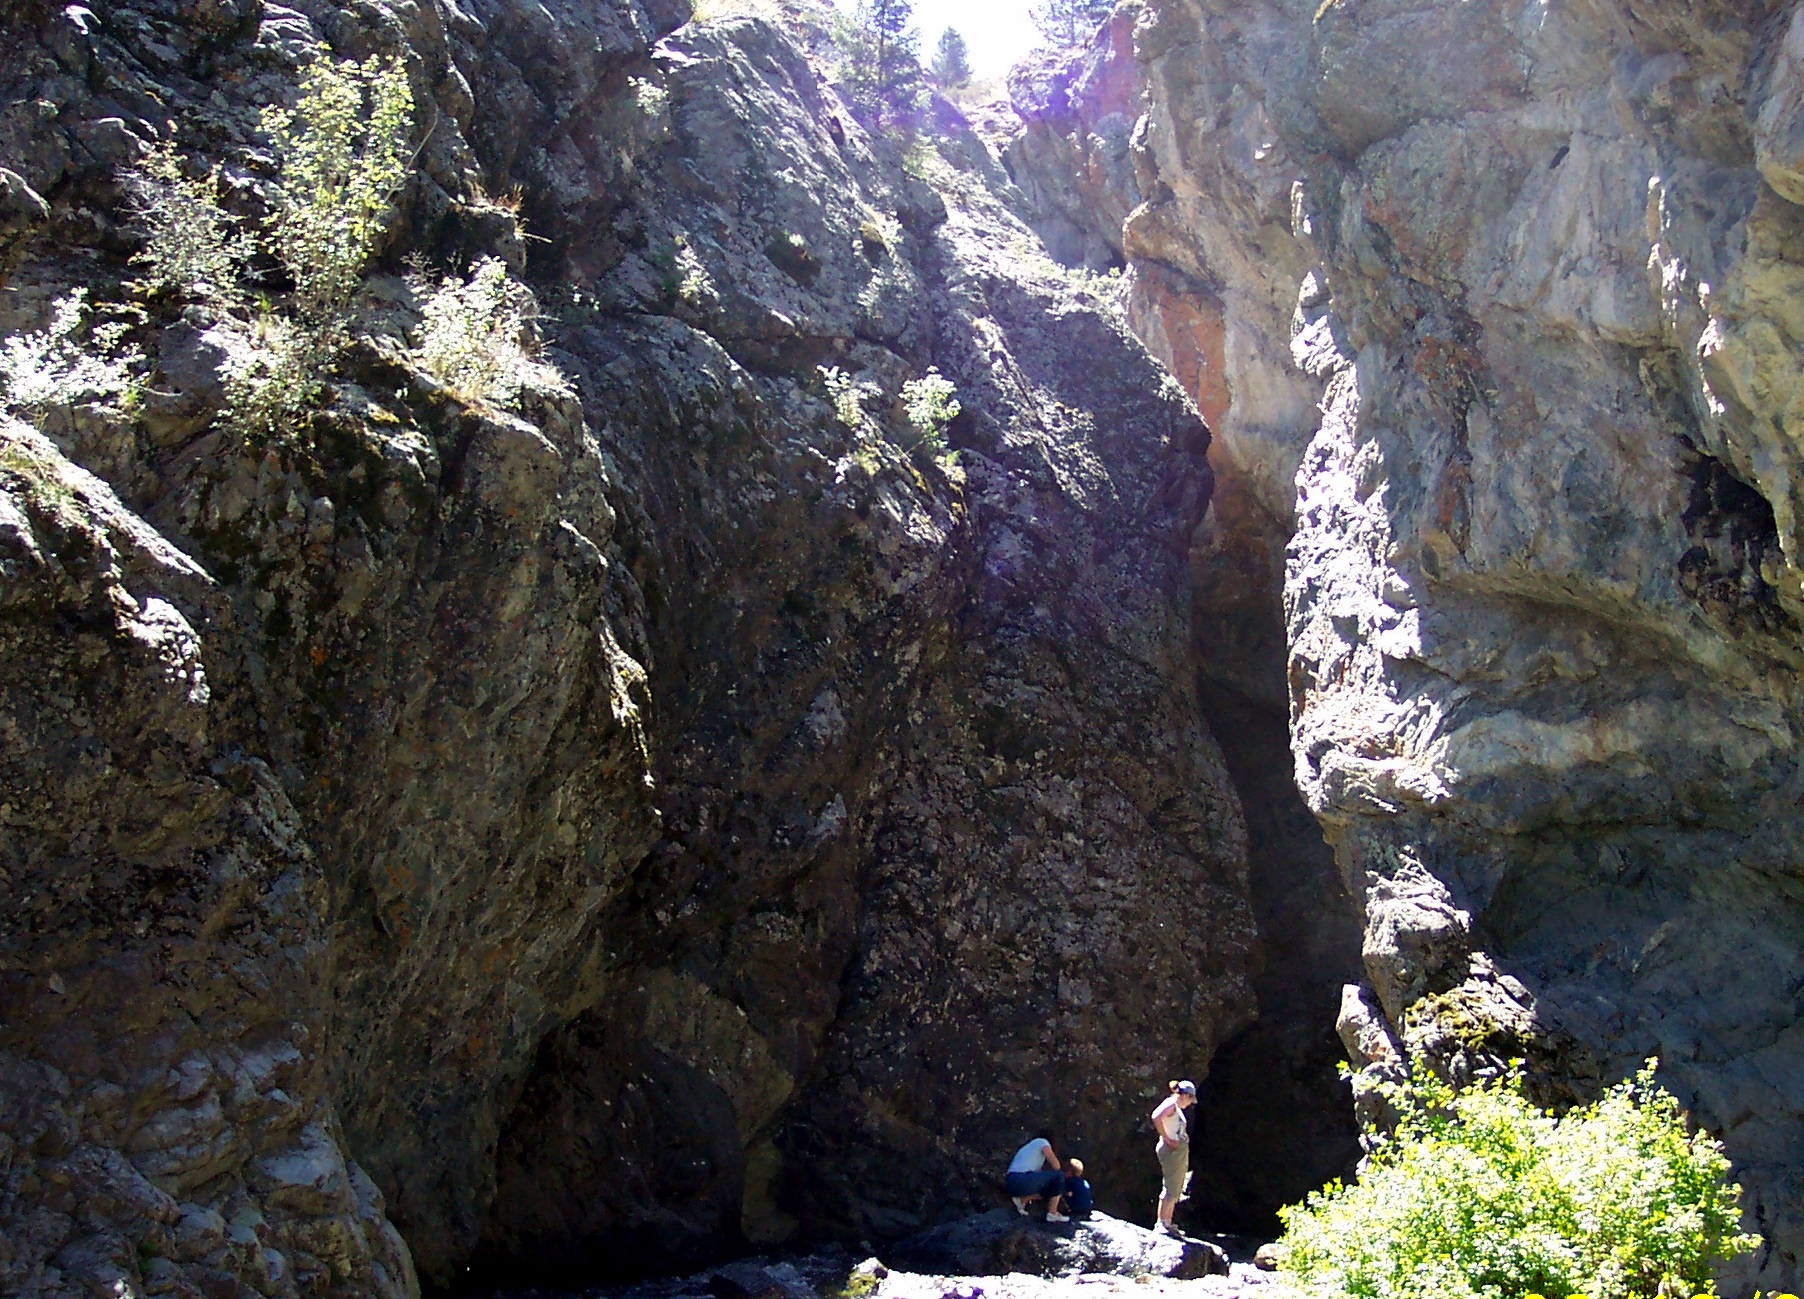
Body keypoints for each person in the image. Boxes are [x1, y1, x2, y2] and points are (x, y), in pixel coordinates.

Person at [1149, 1079, 1196, 1234]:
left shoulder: (1175, 1106)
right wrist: (1167, 1139)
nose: (1190, 1104)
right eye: (1190, 1099)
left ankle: (1168, 1223)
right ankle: (1162, 1224)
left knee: (1176, 1187)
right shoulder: (1171, 1103)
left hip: (1178, 1150)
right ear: (1185, 1096)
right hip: (1172, 1150)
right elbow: (1156, 1116)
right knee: (1170, 1186)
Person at [1006, 1134, 1070, 1223]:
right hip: (1021, 1179)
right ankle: (1053, 1213)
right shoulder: (1042, 1141)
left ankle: (1022, 1200)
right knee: (1059, 1175)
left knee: (1050, 1187)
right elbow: (1056, 1166)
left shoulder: (1028, 1149)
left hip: (1011, 1181)